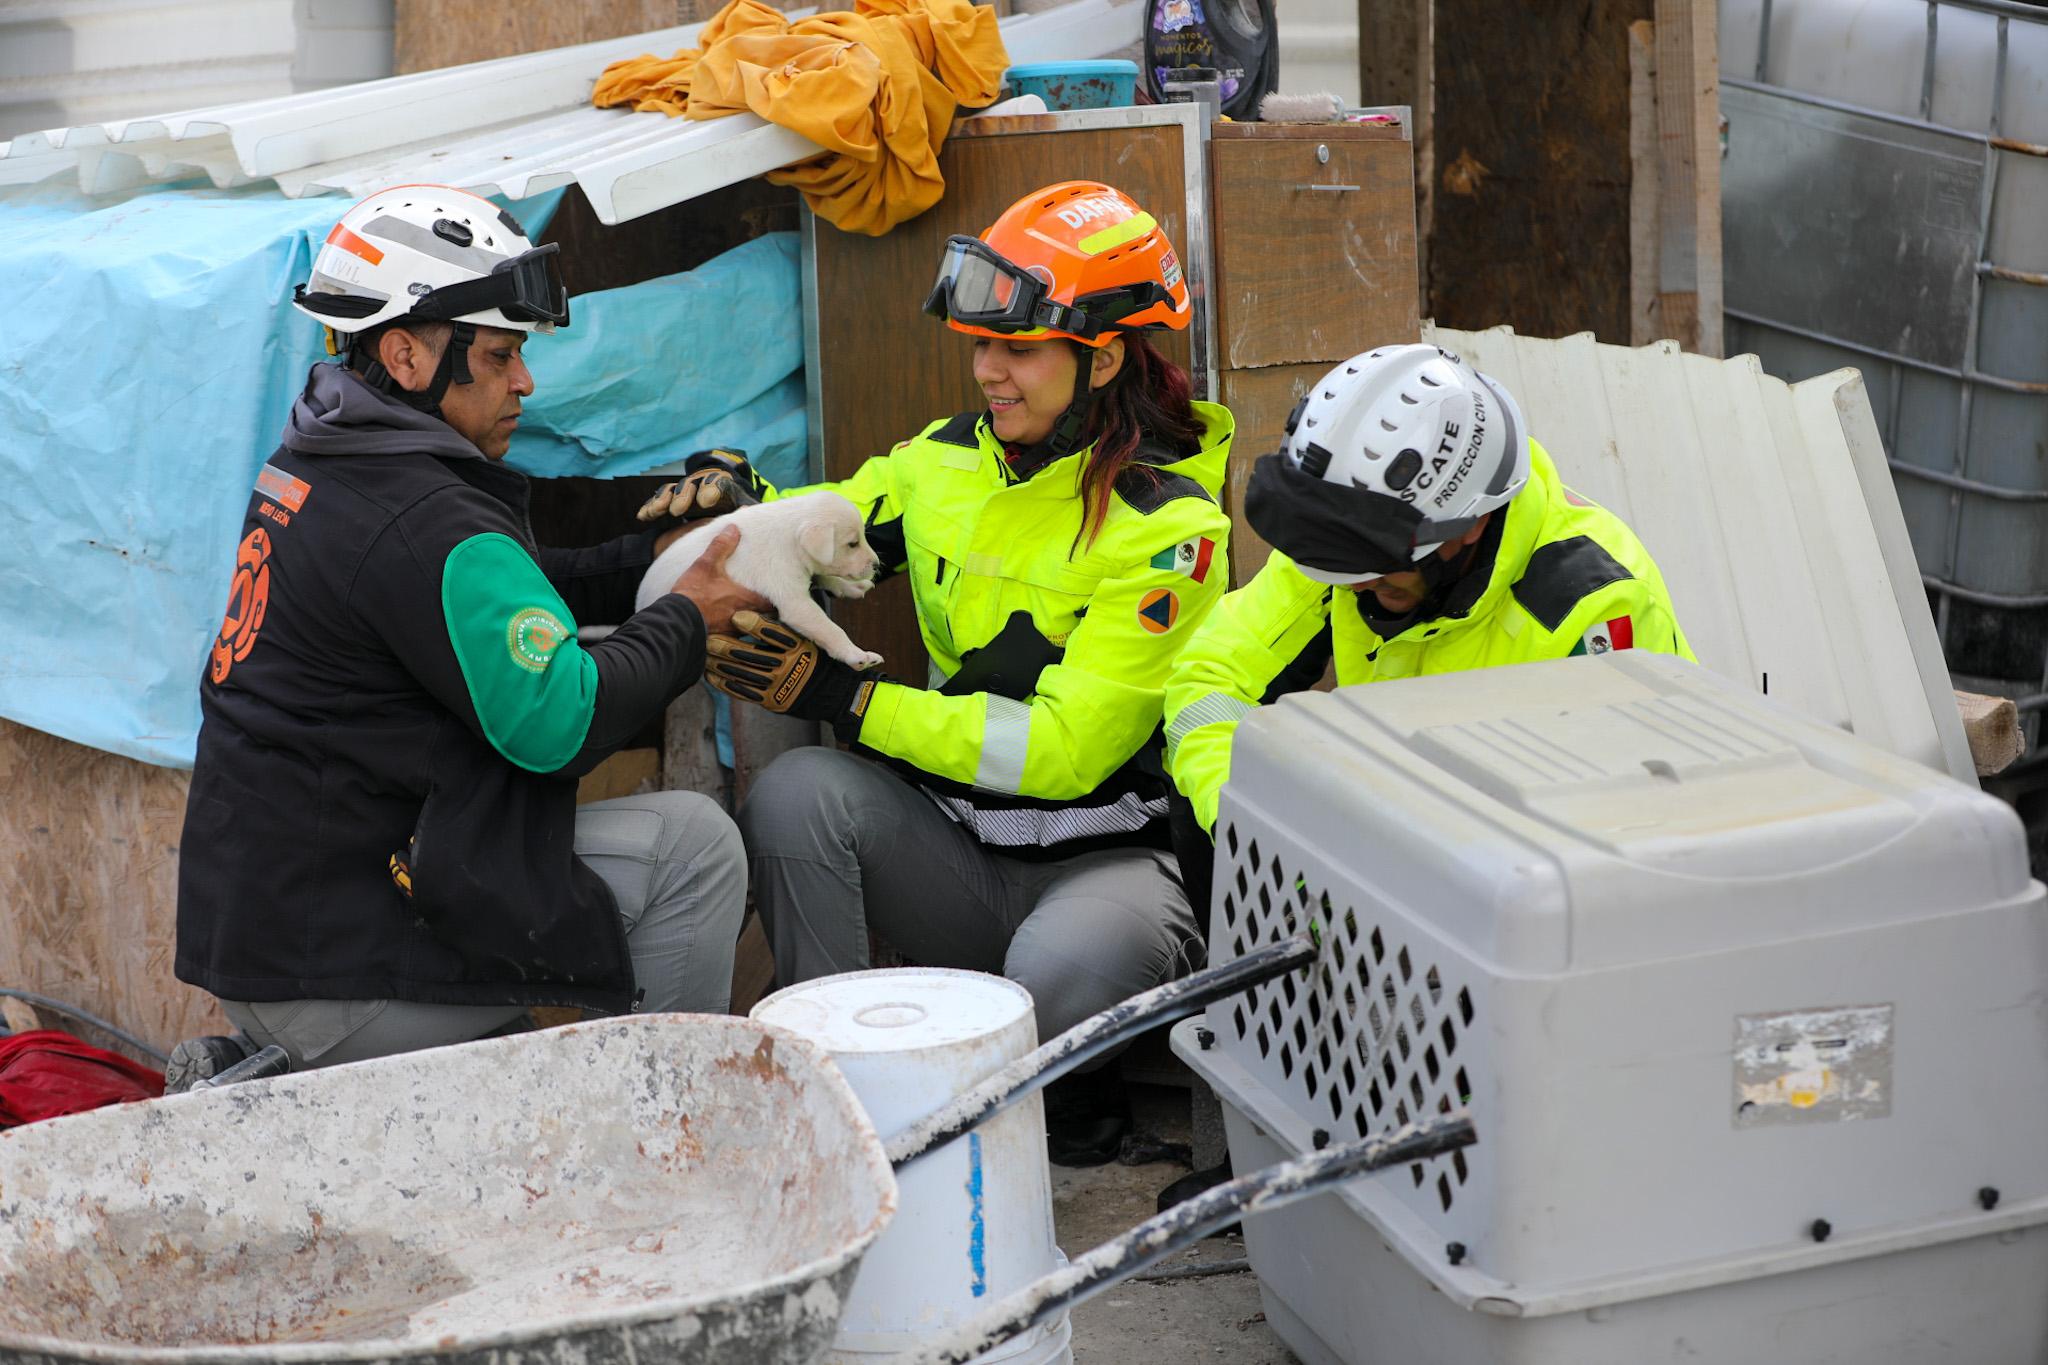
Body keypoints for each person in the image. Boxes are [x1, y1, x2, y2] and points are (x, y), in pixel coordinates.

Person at [664, 181, 1236, 1164]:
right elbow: (827, 526)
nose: (985, 372)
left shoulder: (1171, 529)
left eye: (1015, 348)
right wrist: (738, 502)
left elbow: (1060, 755)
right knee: (798, 793)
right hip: (956, 859)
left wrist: (845, 697)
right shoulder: (941, 462)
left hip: (1107, 875)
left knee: (1051, 967)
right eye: (978, 345)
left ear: (1101, 355)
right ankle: (836, 1110)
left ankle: (1045, 1098)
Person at [168, 185, 765, 1086]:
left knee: (526, 1038)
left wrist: (650, 555)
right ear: (407, 353)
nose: (524, 381)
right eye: (499, 354)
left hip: (281, 931)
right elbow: (559, 723)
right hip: (341, 966)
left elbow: (495, 596)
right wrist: (687, 618)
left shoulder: (324, 454)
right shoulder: (424, 517)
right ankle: (666, 1135)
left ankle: (280, 1071)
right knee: (695, 847)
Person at [1166, 342, 1695, 844]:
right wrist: (1257, 822)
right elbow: (1212, 678)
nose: (1357, 585)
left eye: (1378, 565)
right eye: (1341, 566)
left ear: (1470, 523)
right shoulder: (1354, 537)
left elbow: (1624, 836)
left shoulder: (1594, 609)